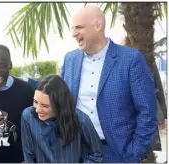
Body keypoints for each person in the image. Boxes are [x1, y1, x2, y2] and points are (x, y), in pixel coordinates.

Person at [61, 6, 157, 162]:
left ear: (98, 26)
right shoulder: (70, 60)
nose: (73, 33)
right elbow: (63, 104)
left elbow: (147, 111)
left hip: (118, 154)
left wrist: (135, 152)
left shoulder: (131, 60)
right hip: (78, 152)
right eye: (72, 28)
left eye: (79, 27)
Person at [21, 75, 102, 163]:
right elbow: (29, 156)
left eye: (45, 106)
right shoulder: (28, 116)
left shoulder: (82, 120)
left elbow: (96, 154)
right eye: (35, 102)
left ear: (59, 104)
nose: (37, 109)